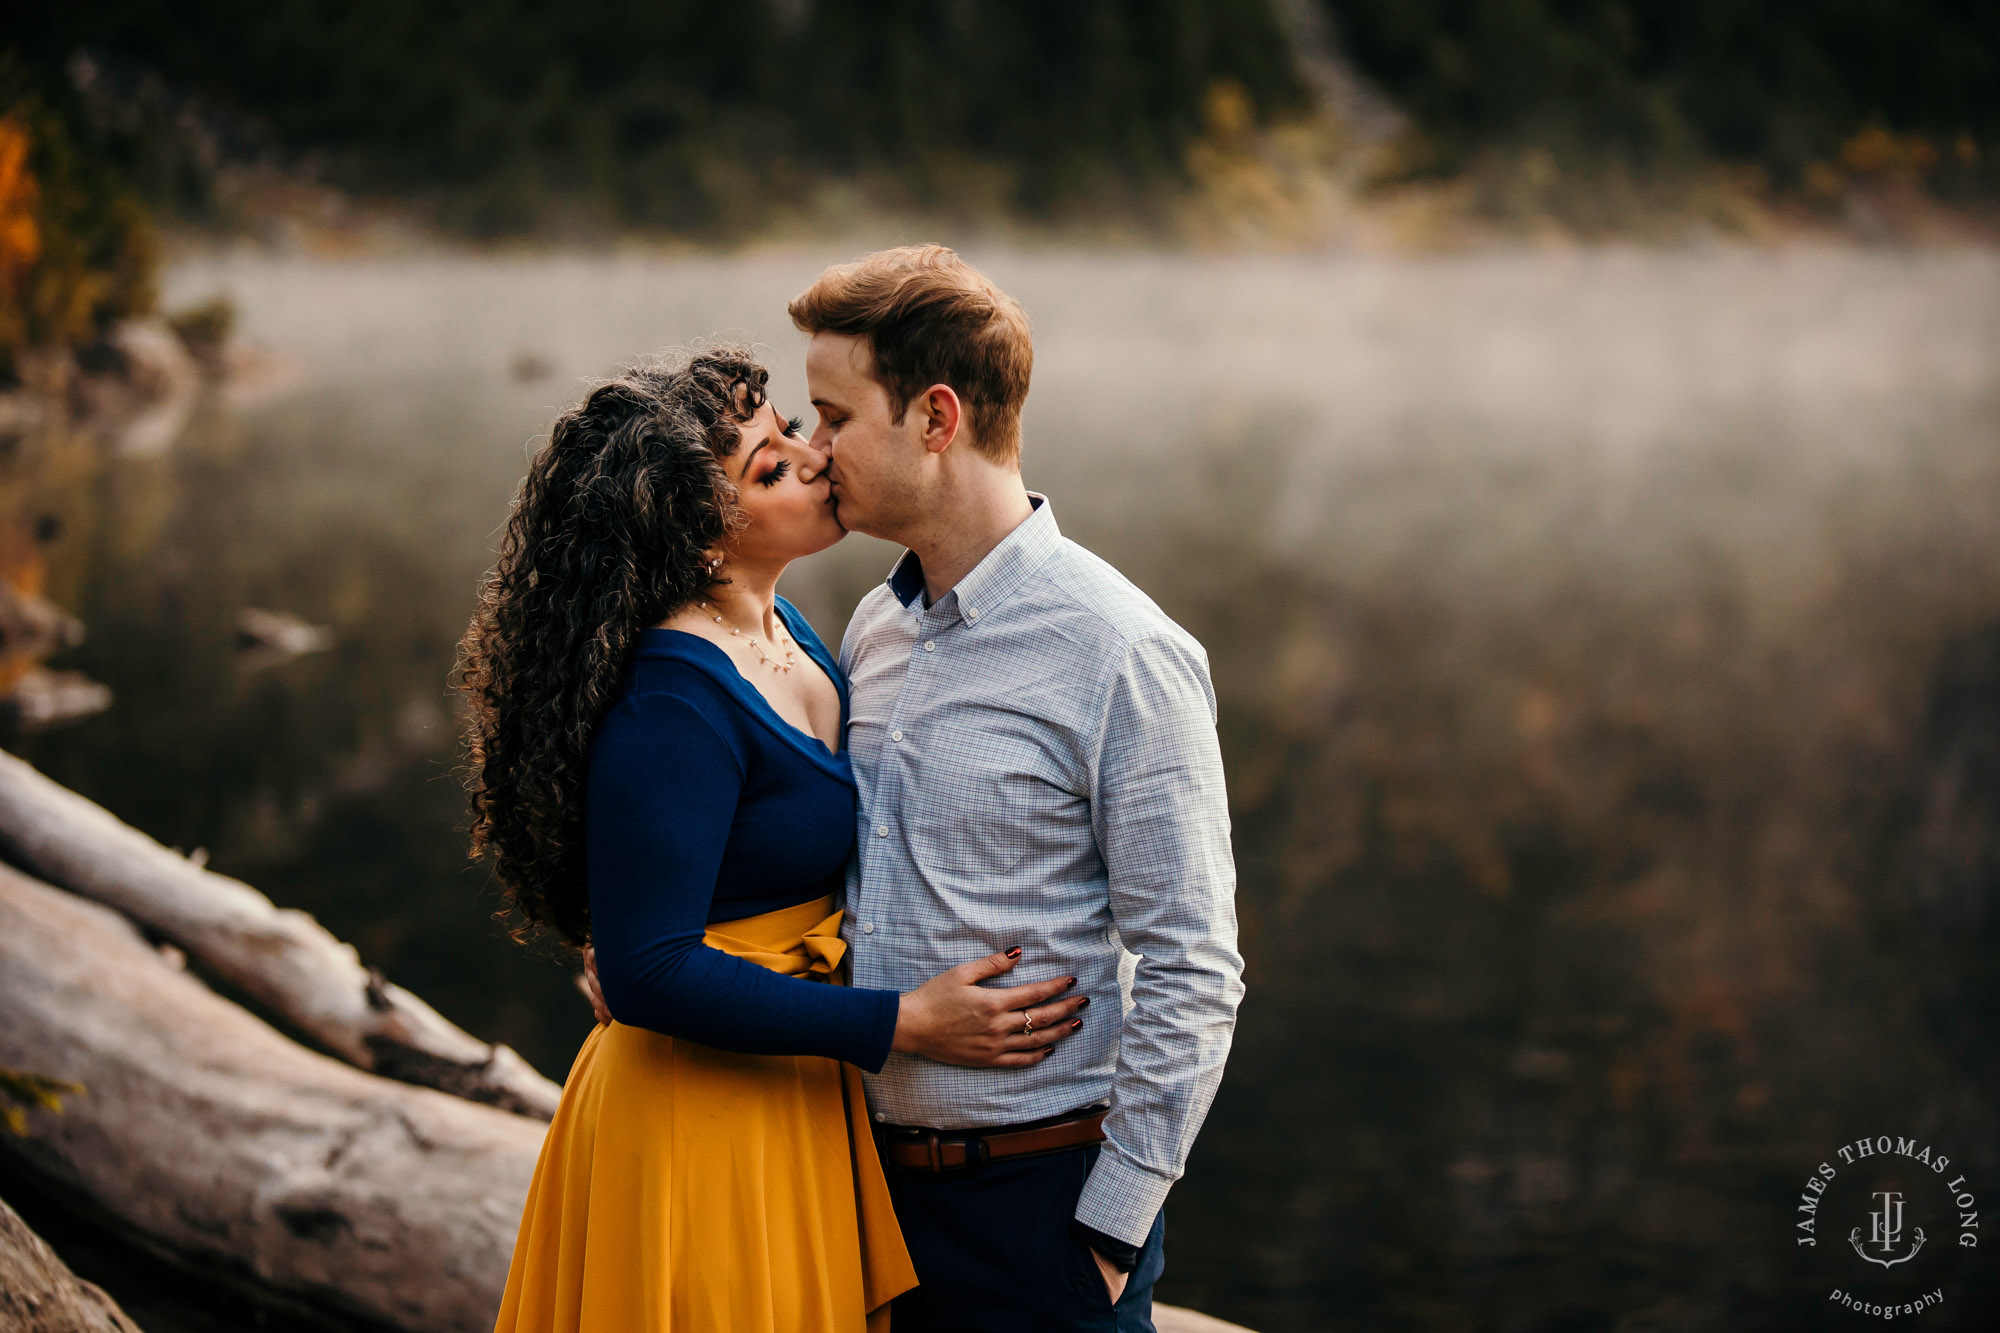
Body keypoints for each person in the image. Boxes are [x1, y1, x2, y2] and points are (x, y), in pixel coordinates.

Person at [593, 247, 1245, 1330]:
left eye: (830, 415)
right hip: (851, 1188)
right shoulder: (873, 631)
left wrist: (1111, 1228)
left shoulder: (1121, 651)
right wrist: (636, 945)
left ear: (934, 419)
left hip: (1037, 1204)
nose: (809, 448)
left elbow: (1193, 965)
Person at [458, 347, 1091, 1333]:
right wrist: (900, 1022)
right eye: (769, 466)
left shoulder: (790, 630)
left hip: (788, 1093)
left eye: (792, 431)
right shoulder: (676, 694)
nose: (812, 457)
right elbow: (647, 971)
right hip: (695, 1121)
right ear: (700, 540)